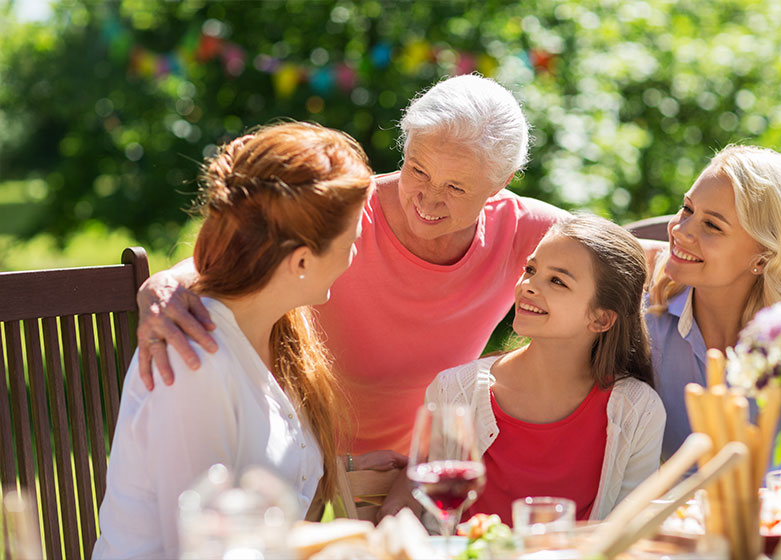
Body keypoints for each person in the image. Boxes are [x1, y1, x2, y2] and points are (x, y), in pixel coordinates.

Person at [134, 74, 569, 455]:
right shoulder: (347, 212)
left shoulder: (523, 228)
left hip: (422, 463)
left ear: (500, 185)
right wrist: (166, 283)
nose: (428, 199)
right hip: (297, 447)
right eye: (418, 170)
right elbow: (243, 261)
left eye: (455, 187)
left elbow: (620, 259)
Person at [93, 123, 403, 559]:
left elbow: (248, 462)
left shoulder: (276, 331)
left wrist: (333, 468)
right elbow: (198, 548)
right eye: (351, 241)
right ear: (299, 260)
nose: (354, 254)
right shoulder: (193, 361)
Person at [423, 215, 665, 524]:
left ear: (601, 319)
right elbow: (435, 527)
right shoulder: (455, 391)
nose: (529, 286)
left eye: (557, 281)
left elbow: (630, 533)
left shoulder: (638, 410)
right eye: (530, 269)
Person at [647, 144, 781, 468]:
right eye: (687, 209)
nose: (680, 230)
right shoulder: (646, 321)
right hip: (671, 517)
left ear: (764, 257)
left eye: (712, 226)